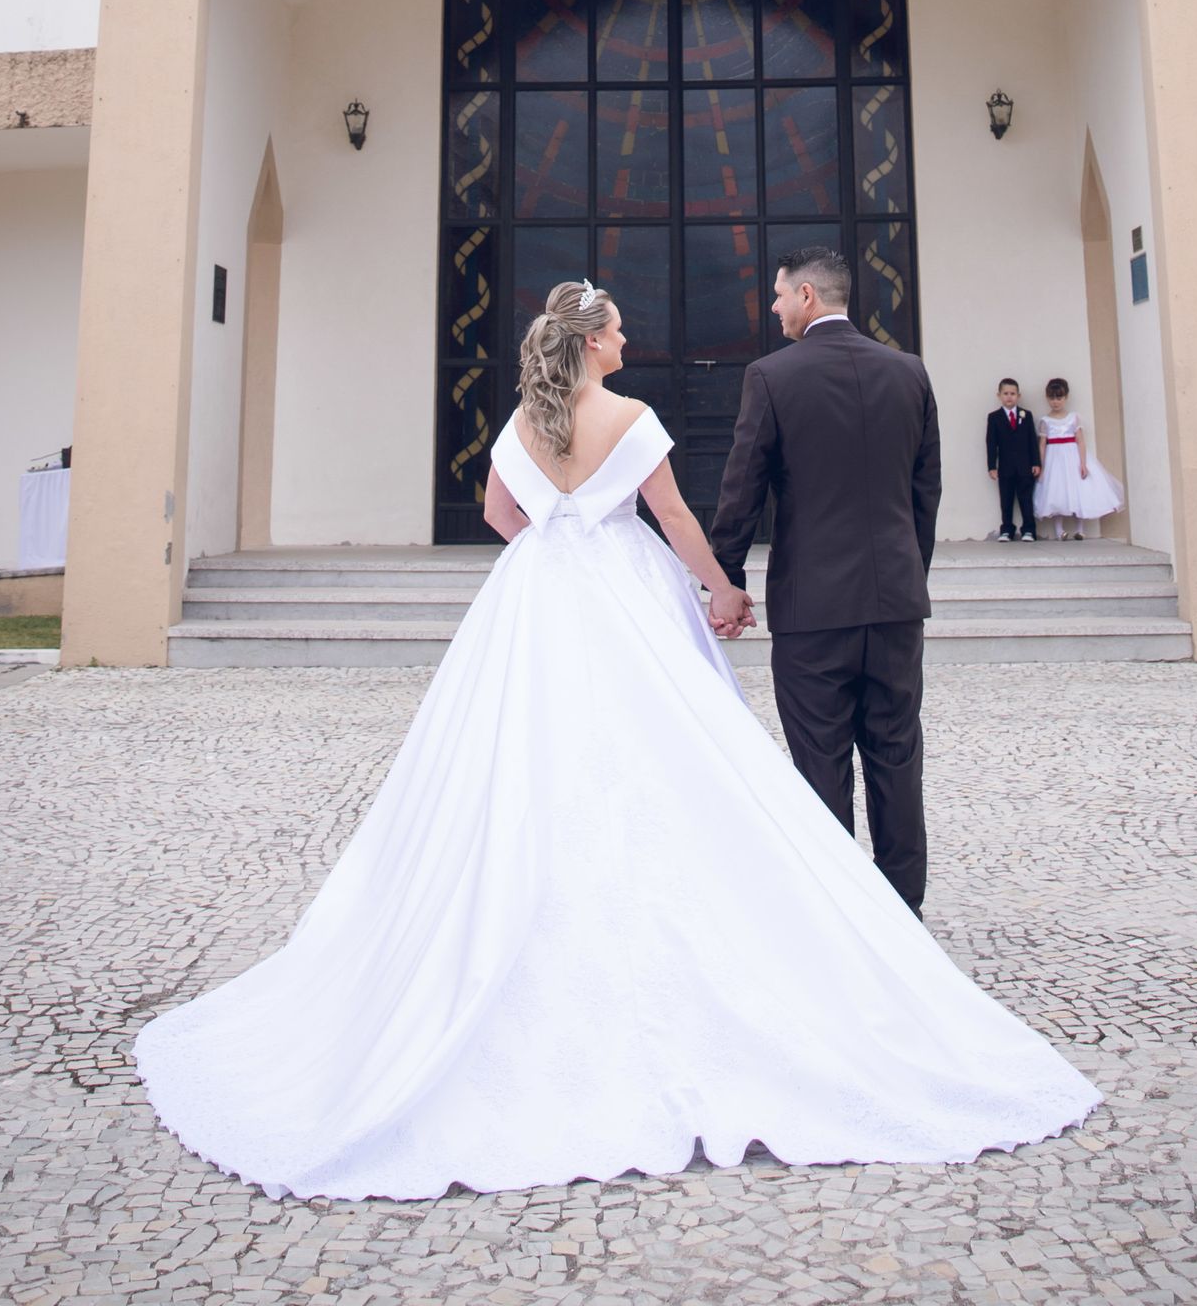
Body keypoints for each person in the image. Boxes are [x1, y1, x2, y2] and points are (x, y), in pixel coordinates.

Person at [134, 279, 1098, 1200]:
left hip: (535, 601)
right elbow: (676, 516)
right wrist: (722, 590)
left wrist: (556, 545)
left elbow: (497, 514)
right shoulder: (629, 420)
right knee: (665, 761)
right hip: (624, 600)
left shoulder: (522, 424)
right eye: (622, 330)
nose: (631, 341)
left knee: (520, 764)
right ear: (594, 341)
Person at [707, 246, 940, 914]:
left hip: (813, 609)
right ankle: (903, 911)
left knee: (821, 766)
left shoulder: (772, 378)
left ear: (807, 296)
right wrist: (904, 575)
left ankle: (840, 915)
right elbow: (926, 492)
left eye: (779, 295)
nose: (773, 307)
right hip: (895, 604)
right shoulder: (910, 373)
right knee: (897, 758)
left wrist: (726, 578)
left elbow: (741, 488)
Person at [1032, 376, 1125, 540]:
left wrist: (1082, 463)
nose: (1055, 402)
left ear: (1066, 397)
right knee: (1056, 492)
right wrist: (1043, 465)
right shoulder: (1045, 421)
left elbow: (1080, 441)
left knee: (1079, 490)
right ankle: (1059, 530)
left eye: (1059, 398)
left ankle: (1080, 529)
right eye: (1052, 398)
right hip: (1054, 459)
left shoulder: (1073, 418)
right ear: (1047, 398)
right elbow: (1042, 444)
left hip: (1072, 457)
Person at [985, 379, 1042, 542]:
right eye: (1006, 394)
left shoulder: (1026, 415)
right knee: (1006, 500)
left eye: (1012, 394)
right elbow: (991, 443)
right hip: (1005, 467)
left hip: (1025, 466)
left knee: (1026, 499)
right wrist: (991, 466)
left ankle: (1029, 530)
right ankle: (1007, 529)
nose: (1009, 397)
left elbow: (1032, 440)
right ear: (999, 395)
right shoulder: (994, 417)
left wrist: (1036, 463)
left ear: (1018, 395)